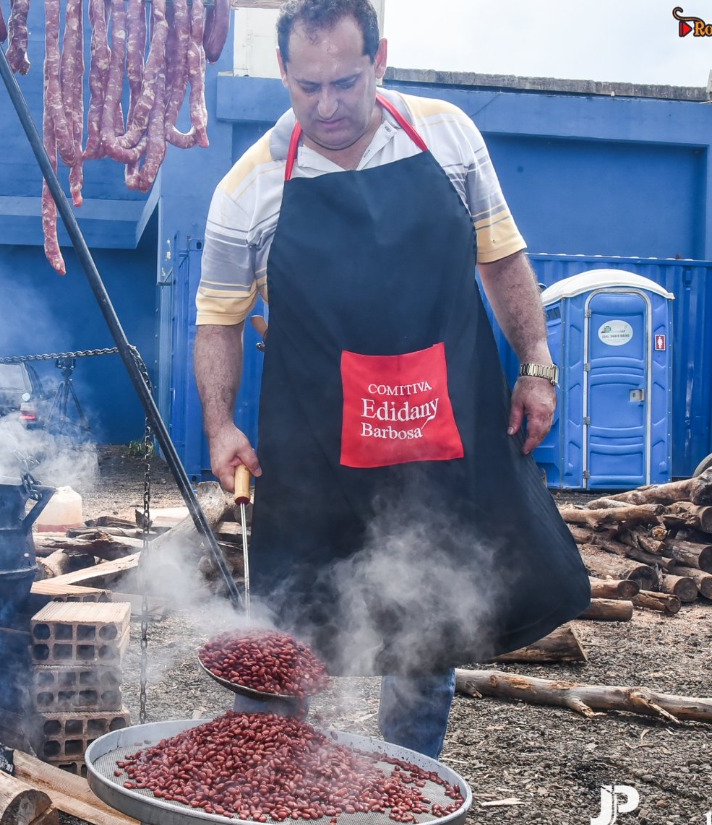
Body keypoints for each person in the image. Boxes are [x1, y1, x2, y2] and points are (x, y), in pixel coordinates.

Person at [192, 0, 589, 758]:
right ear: (283, 72)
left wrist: (535, 362)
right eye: (306, 87)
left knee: (424, 620)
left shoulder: (446, 136)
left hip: (436, 422)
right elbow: (218, 320)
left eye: (345, 82)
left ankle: (406, 785)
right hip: (313, 438)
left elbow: (501, 256)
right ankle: (268, 787)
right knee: (289, 619)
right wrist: (220, 425)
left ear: (381, 59)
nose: (327, 105)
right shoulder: (247, 190)